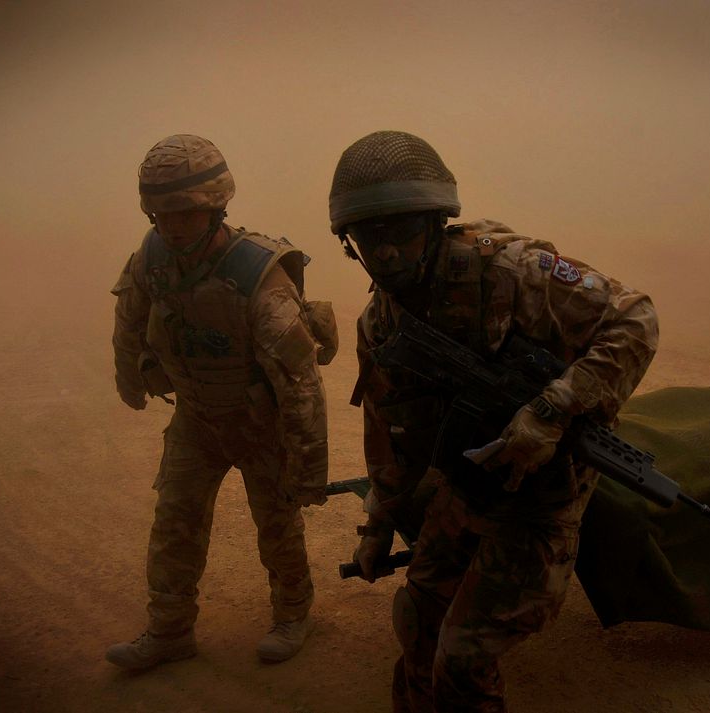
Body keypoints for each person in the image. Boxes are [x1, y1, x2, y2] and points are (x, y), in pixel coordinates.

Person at [330, 130, 659, 712]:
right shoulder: (381, 324)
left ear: (435, 224)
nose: (386, 255)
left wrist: (552, 408)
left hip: (540, 495)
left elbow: (634, 319)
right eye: (367, 237)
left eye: (401, 234)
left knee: (461, 658)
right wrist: (379, 524)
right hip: (466, 488)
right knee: (415, 624)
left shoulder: (512, 272)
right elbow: (389, 434)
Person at [107, 134, 332, 670]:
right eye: (160, 213)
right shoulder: (154, 255)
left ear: (215, 207)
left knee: (277, 524)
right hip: (196, 418)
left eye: (182, 213)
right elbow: (129, 316)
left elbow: (299, 381)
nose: (170, 226)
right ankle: (169, 630)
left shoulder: (258, 274)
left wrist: (309, 469)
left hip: (259, 423)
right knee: (174, 524)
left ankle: (293, 614)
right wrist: (129, 378)